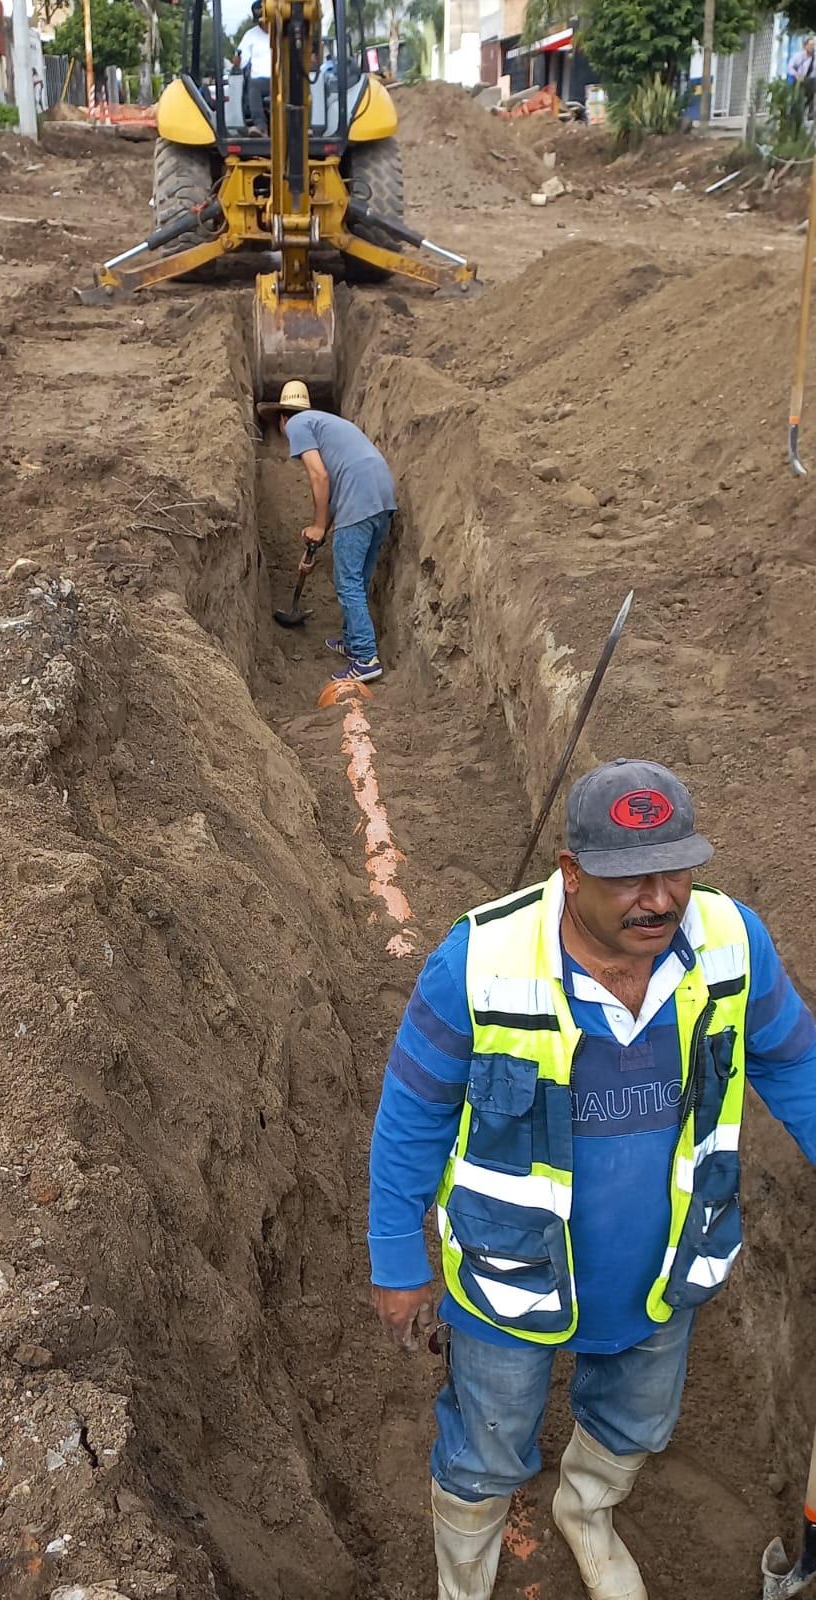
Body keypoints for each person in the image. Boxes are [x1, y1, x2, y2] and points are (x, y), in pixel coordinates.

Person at [368, 758, 816, 1600]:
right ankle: (464, 1576)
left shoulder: (732, 940)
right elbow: (411, 1115)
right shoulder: (479, 962)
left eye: (676, 871)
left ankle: (587, 1510)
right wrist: (396, 1257)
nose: (660, 899)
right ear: (571, 873)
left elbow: (795, 1060)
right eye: (630, 878)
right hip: (510, 1271)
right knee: (488, 1442)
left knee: (635, 1417)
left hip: (665, 1259)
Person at [258, 380, 397, 683]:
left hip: (358, 499)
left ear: (283, 418)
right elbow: (333, 493)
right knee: (358, 579)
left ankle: (366, 658)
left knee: (348, 583)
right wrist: (317, 538)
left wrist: (319, 526)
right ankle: (353, 642)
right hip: (382, 497)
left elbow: (319, 477)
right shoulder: (326, 424)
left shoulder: (297, 424)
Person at [235, 0, 272, 135]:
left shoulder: (284, 33)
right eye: (261, 22)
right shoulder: (250, 35)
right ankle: (261, 127)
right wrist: (237, 61)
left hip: (282, 79)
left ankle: (298, 126)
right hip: (259, 81)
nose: (264, 25)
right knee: (253, 87)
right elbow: (242, 60)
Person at [790, 36, 816, 118]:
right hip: (799, 79)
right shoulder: (799, 56)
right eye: (810, 45)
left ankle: (810, 112)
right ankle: (794, 112)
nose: (812, 47)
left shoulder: (814, 58)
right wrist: (796, 75)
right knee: (798, 99)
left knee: (812, 86)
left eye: (813, 45)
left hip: (810, 81)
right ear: (806, 46)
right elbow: (790, 67)